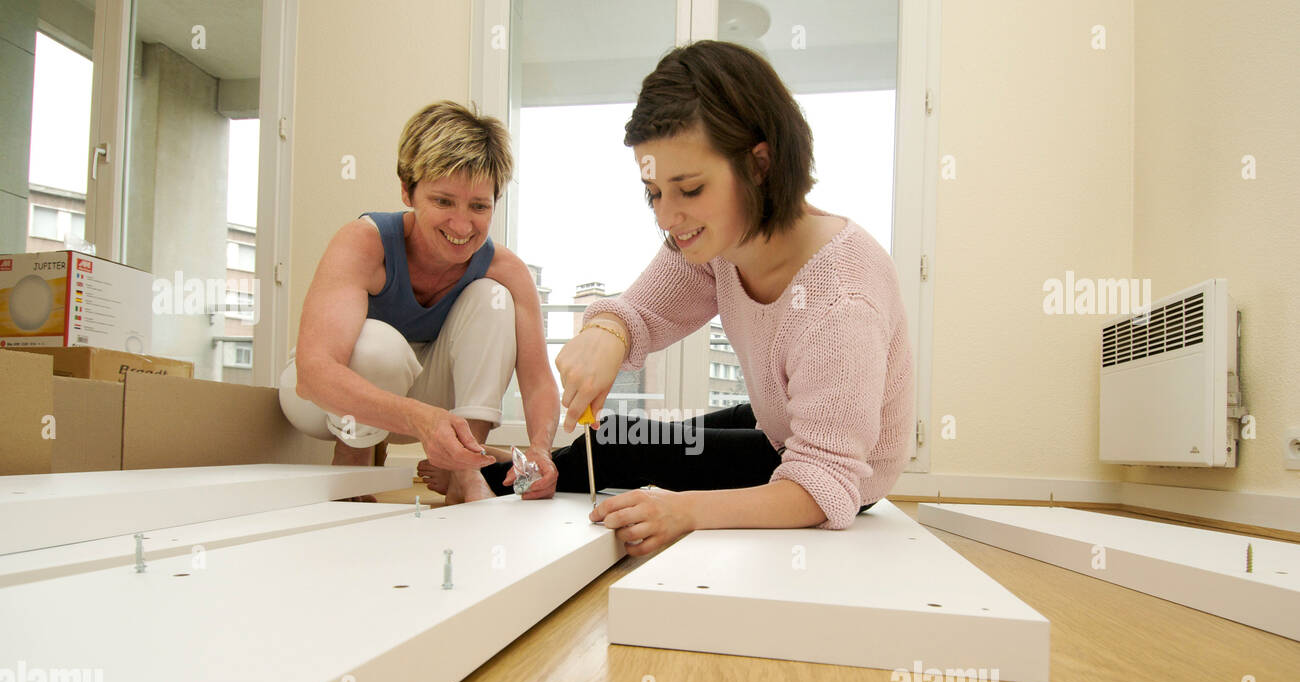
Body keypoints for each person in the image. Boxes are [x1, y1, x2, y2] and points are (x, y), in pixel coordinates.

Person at [481, 40, 915, 555]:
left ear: (759, 165)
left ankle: (491, 478)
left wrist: (685, 511)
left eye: (689, 190)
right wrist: (605, 333)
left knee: (619, 448)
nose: (667, 218)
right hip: (776, 426)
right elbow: (641, 312)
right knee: (618, 435)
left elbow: (825, 485)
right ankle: (502, 470)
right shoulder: (723, 243)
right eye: (656, 193)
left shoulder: (842, 299)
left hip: (828, 480)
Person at [279, 101, 560, 503]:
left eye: (479, 206)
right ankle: (353, 463)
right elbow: (314, 374)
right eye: (443, 201)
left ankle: (466, 468)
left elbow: (537, 381)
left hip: (424, 410)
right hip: (318, 404)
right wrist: (420, 418)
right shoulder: (363, 242)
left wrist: (541, 450)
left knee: (494, 298)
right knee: (380, 346)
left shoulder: (505, 269)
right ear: (407, 190)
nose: (462, 226)